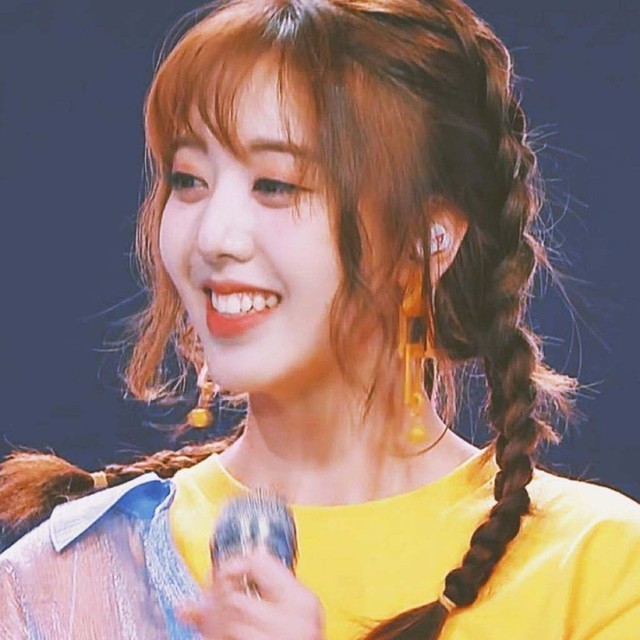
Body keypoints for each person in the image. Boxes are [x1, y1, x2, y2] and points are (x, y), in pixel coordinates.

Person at [1, 0, 639, 638]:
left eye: (275, 185)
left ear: (426, 239)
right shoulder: (60, 584)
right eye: (189, 179)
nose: (213, 236)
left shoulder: (596, 567)